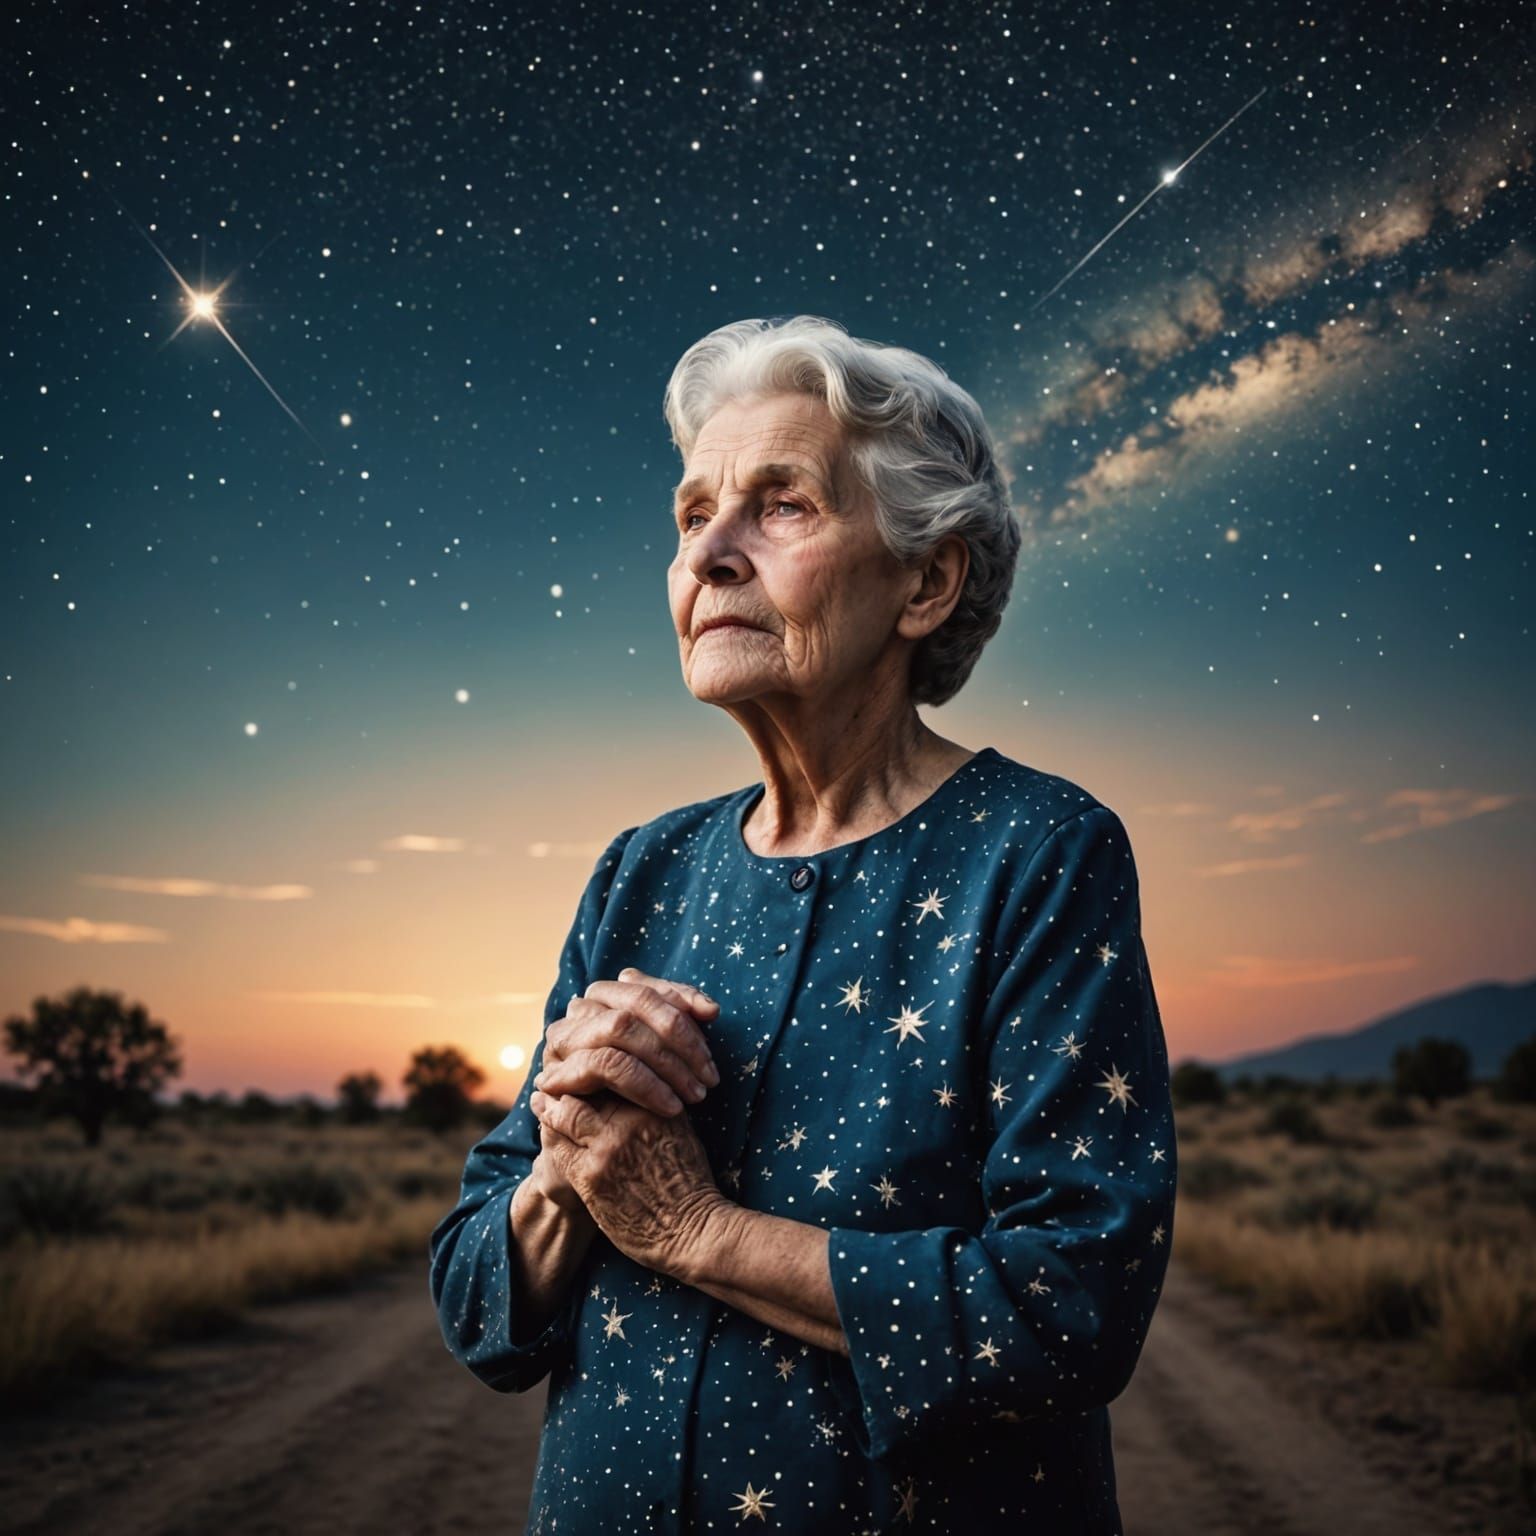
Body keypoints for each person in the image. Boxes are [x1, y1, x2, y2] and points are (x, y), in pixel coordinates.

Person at [428, 314, 1177, 1533]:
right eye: (690, 517)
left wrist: (695, 1231)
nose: (710, 555)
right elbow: (477, 1310)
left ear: (925, 582)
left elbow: (1072, 1303)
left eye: (782, 507)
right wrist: (566, 1169)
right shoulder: (642, 870)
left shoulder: (1038, 850)